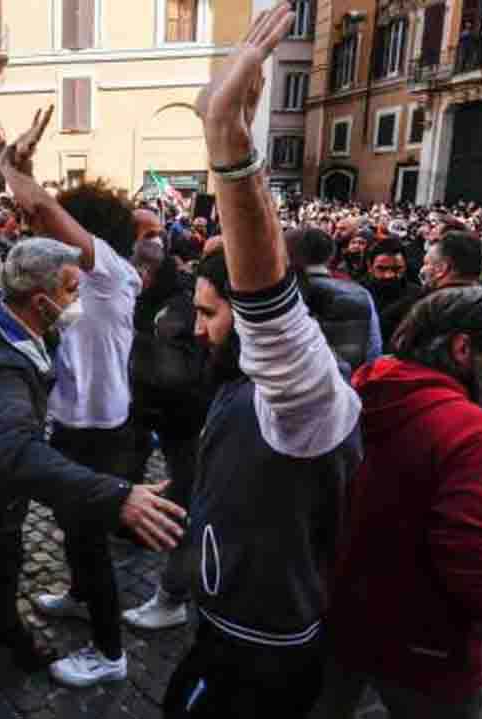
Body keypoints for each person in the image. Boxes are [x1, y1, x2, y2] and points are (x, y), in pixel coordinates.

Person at [165, 5, 363, 715]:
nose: (197, 329)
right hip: (221, 631)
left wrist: (230, 150)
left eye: (211, 314)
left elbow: (270, 315)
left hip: (265, 659)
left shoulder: (311, 402)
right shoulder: (233, 383)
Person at [0, 226, 186, 714]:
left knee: (5, 568)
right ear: (40, 302)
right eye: (71, 290)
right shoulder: (0, 373)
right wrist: (118, 494)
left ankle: (5, 633)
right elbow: (18, 452)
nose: (78, 298)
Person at [319, 286, 482, 719]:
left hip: (343, 617)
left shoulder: (366, 386)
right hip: (429, 645)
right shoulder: (472, 432)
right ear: (462, 348)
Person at [26, 177, 143, 689]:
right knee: (72, 528)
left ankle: (110, 652)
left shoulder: (112, 272)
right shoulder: (77, 281)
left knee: (91, 542)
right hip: (73, 425)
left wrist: (13, 166)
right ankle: (77, 596)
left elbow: (47, 213)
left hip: (102, 434)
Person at [123, 215, 208, 632]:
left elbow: (174, 371)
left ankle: (173, 596)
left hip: (188, 420)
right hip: (172, 417)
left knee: (187, 502)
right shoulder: (158, 299)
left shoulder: (175, 307)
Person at [286, 225, 381, 370]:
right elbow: (373, 349)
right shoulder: (360, 293)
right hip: (348, 385)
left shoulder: (281, 296)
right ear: (329, 255)